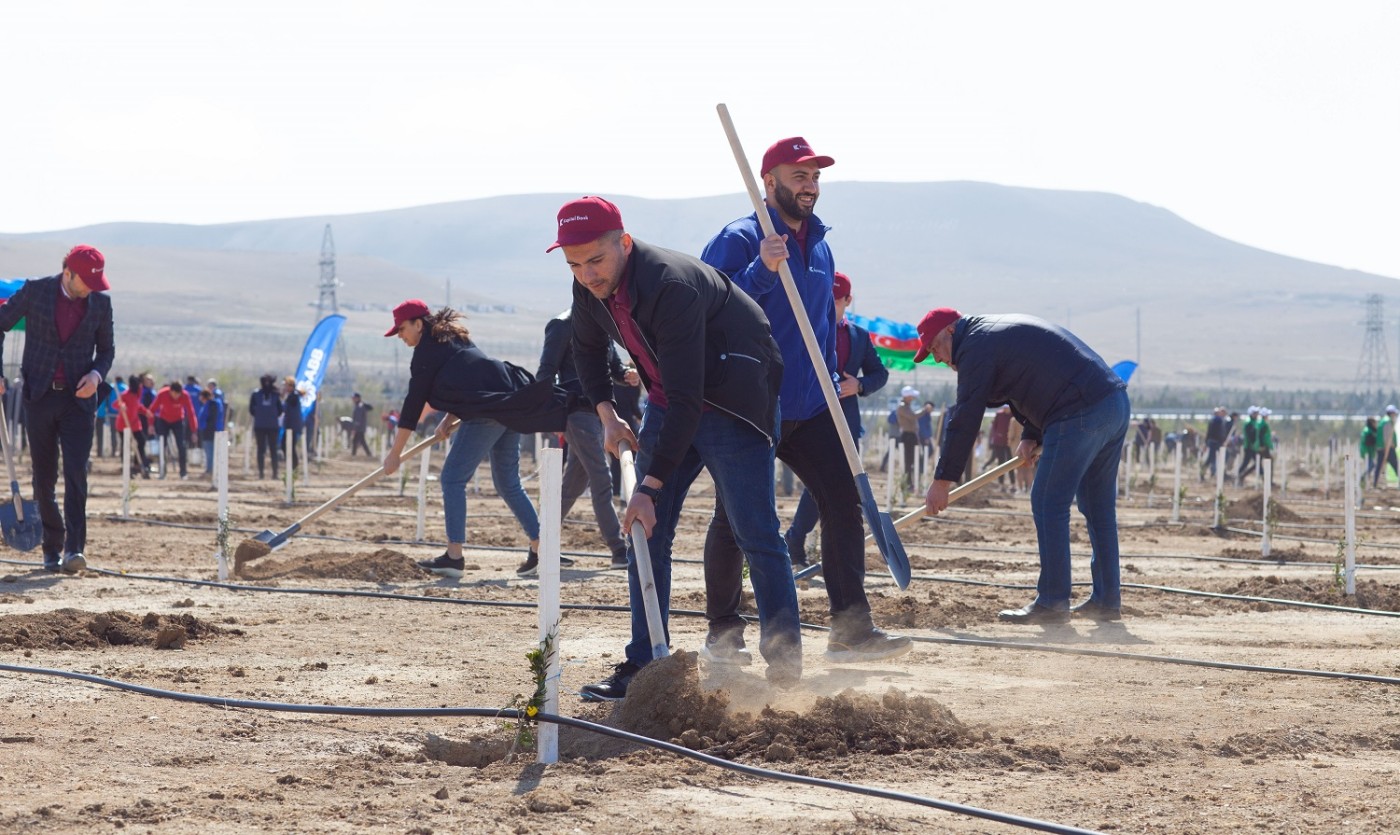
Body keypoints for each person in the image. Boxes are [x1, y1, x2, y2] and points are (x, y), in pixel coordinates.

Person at [551, 195, 803, 700]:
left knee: (756, 533)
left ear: (623, 242)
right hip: (674, 399)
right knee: (646, 534)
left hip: (732, 400)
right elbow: (585, 349)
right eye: (574, 264)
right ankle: (646, 666)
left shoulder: (670, 284)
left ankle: (784, 673)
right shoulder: (590, 286)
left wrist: (648, 484)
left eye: (595, 260)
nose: (586, 274)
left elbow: (689, 397)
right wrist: (607, 414)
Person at [699, 138, 911, 665]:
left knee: (842, 505)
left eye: (815, 177)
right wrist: (760, 272)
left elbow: (818, 324)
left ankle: (850, 630)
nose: (810, 186)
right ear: (768, 181)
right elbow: (706, 309)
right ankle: (724, 635)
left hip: (813, 404)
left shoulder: (819, 246)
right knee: (736, 519)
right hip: (750, 403)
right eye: (799, 175)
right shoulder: (739, 238)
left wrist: (836, 378)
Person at [917, 307, 1130, 624]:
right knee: (1097, 506)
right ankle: (1106, 599)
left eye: (934, 348)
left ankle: (1053, 602)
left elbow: (966, 416)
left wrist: (943, 480)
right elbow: (1028, 380)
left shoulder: (975, 347)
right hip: (1112, 403)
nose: (937, 358)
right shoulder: (990, 337)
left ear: (950, 331)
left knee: (1047, 501)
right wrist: (1031, 433)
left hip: (1080, 412)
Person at [381, 299, 579, 580]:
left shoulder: (426, 352)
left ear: (418, 324)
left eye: (401, 329)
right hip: (510, 402)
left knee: (452, 478)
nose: (400, 336)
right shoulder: (451, 339)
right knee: (508, 483)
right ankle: (542, 547)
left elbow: (413, 405)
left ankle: (453, 556)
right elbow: (471, 377)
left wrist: (395, 454)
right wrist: (448, 419)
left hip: (489, 411)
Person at [0, 245, 115, 573]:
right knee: (44, 477)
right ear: (69, 273)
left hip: (79, 401)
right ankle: (52, 547)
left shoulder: (101, 305)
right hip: (40, 397)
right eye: (87, 282)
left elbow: (107, 350)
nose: (92, 288)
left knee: (77, 471)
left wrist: (96, 373)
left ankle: (74, 549)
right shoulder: (35, 292)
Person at [783, 271, 889, 566]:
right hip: (808, 419)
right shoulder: (803, 328)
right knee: (818, 482)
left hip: (845, 421)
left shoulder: (858, 336)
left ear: (848, 300)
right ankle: (796, 537)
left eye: (836, 300)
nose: (829, 305)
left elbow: (880, 374)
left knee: (838, 486)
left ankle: (800, 538)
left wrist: (860, 385)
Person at [536, 309, 634, 569]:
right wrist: (550, 416)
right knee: (602, 478)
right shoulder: (562, 325)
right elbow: (546, 372)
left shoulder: (603, 324)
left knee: (572, 486)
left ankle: (539, 546)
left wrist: (626, 374)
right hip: (576, 411)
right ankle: (618, 550)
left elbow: (612, 367)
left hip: (595, 412)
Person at [150, 379, 198, 479]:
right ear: (170, 391)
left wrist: (194, 430)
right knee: (163, 446)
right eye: (174, 394)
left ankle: (183, 472)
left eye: (178, 394)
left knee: (181, 446)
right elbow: (152, 409)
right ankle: (162, 472)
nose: (176, 396)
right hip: (163, 420)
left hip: (178, 421)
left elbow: (191, 412)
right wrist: (150, 425)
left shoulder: (185, 395)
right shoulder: (162, 394)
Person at [115, 374, 154, 478]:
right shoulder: (125, 394)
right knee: (126, 446)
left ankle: (138, 465)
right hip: (124, 425)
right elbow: (115, 404)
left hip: (135, 425)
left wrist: (146, 412)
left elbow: (138, 406)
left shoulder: (137, 394)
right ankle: (127, 467)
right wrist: (121, 405)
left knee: (141, 441)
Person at [249, 374, 283, 479]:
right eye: (265, 382)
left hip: (272, 426)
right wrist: (261, 415)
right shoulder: (256, 394)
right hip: (260, 426)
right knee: (261, 450)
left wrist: (270, 415)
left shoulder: (275, 395)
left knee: (273, 450)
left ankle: (275, 473)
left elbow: (280, 410)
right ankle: (261, 473)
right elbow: (251, 409)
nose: (267, 384)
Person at [893, 386, 921, 490]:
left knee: (911, 461)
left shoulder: (906, 406)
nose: (913, 398)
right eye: (911, 396)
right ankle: (907, 483)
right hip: (907, 436)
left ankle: (909, 483)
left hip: (911, 436)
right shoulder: (902, 407)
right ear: (907, 396)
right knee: (908, 461)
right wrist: (924, 410)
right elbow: (913, 416)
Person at [987, 405, 1014, 490]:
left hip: (1009, 443)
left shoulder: (1013, 416)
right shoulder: (999, 414)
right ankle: (1001, 484)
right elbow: (994, 429)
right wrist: (993, 439)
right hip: (998, 442)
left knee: (1011, 463)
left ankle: (1013, 484)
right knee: (1001, 463)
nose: (1006, 409)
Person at [1200, 406, 1230, 480]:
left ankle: (1214, 473)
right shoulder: (1217, 420)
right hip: (1215, 442)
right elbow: (1215, 433)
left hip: (1216, 442)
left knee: (1215, 458)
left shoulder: (1218, 420)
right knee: (1212, 458)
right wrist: (1222, 440)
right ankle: (1207, 473)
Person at [281, 376, 305, 472]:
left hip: (292, 426)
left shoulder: (293, 396)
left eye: (286, 385)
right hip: (290, 425)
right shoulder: (293, 395)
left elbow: (286, 409)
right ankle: (292, 466)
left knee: (288, 446)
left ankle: (293, 466)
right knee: (287, 446)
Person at [1375, 405, 1398, 488]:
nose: (1395, 415)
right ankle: (1375, 483)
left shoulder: (1382, 421)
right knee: (1396, 466)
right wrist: (1387, 450)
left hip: (1381, 448)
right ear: (1391, 413)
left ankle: (1375, 483)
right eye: (1394, 414)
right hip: (1387, 448)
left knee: (1379, 466)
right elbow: (1387, 438)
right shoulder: (1388, 422)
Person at [348, 392, 374, 456]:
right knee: (356, 441)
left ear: (357, 398)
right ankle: (354, 454)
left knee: (361, 441)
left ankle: (368, 454)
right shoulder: (359, 405)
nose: (353, 399)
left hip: (359, 428)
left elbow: (358, 418)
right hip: (360, 427)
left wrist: (354, 428)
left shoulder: (359, 406)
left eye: (354, 398)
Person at [1361, 416, 1379, 484]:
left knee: (1371, 465)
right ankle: (1363, 478)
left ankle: (1364, 478)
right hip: (1367, 451)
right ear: (1371, 422)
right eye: (1374, 422)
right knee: (1371, 465)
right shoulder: (1367, 430)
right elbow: (1367, 441)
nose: (1376, 424)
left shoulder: (1370, 430)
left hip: (1369, 451)